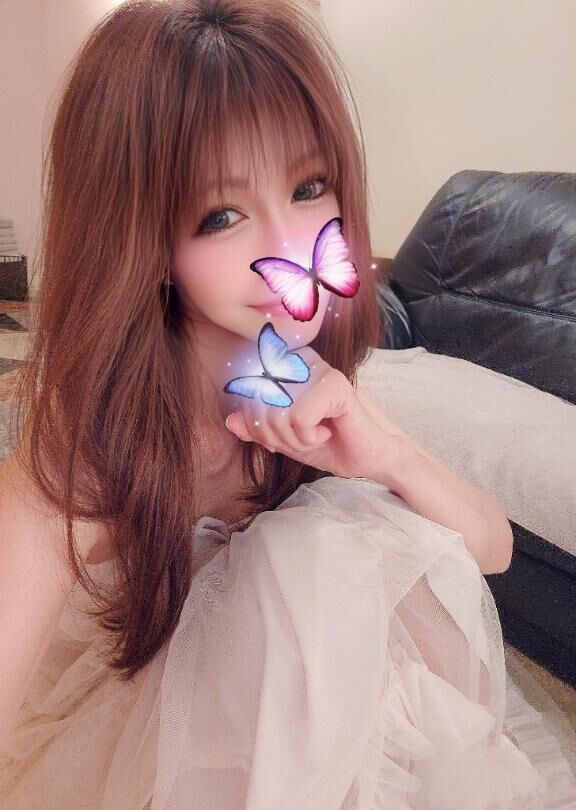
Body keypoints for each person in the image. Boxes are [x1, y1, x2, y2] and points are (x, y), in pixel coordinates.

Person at [0, 1, 575, 807]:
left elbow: (489, 546)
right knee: (309, 559)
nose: (290, 244)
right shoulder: (93, 440)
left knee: (344, 544)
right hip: (150, 725)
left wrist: (380, 454)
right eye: (222, 215)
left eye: (309, 187)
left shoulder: (298, 373)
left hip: (306, 714)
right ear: (143, 240)